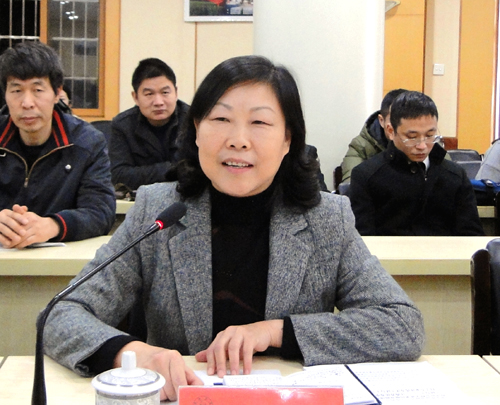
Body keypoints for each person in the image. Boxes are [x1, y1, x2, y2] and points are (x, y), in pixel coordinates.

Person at [43, 55, 425, 402]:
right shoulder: (158, 211)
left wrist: (276, 332)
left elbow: (402, 325)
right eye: (221, 120)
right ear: (196, 130)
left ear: (288, 139)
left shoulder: (326, 218)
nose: (238, 141)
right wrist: (133, 354)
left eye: (259, 123)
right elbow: (61, 314)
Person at [0, 41, 115, 248]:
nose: (27, 103)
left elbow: (101, 212)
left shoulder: (88, 142)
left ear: (57, 93)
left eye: (37, 90)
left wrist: (54, 225)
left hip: (60, 261)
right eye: (16, 90)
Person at [350, 91, 484, 236]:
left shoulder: (455, 176)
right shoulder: (366, 175)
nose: (422, 146)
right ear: (391, 131)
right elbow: (362, 238)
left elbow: (472, 236)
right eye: (412, 137)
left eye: (430, 136)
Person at [109, 58, 190, 190]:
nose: (158, 102)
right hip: (138, 197)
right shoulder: (122, 125)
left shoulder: (193, 120)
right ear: (135, 97)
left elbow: (200, 169)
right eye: (149, 94)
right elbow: (118, 175)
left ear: (176, 93)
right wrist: (171, 169)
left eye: (165, 93)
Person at [340, 88, 407, 183]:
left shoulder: (423, 145)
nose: (401, 127)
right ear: (382, 121)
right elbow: (351, 184)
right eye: (395, 120)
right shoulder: (360, 146)